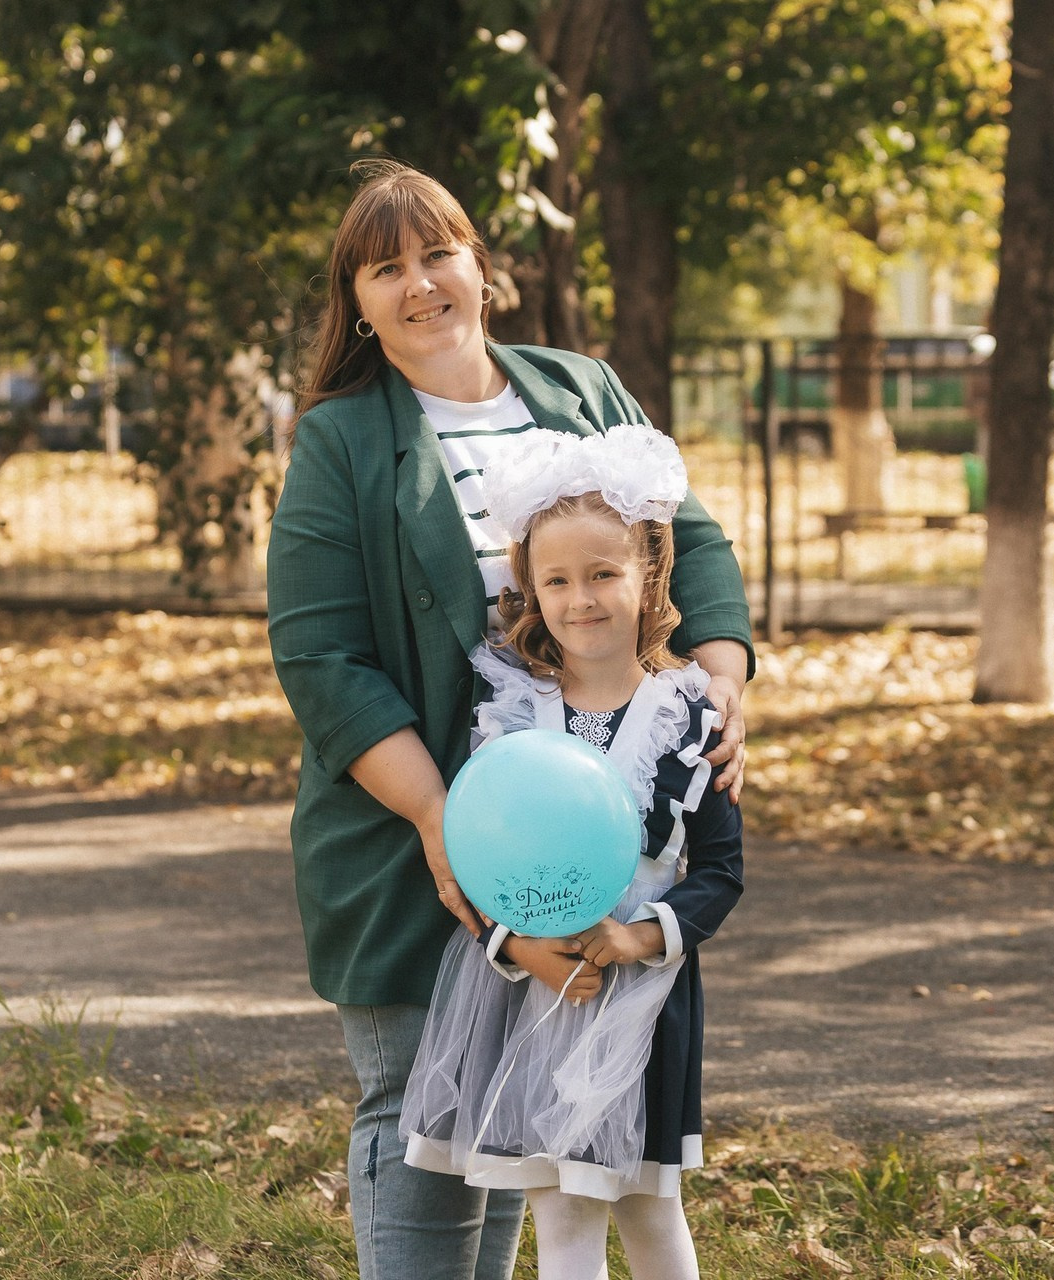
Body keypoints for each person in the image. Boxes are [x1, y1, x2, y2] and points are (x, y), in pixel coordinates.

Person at [266, 159, 754, 1280]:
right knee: (422, 1123)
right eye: (384, 268)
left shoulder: (580, 387)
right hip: (405, 835)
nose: (418, 282)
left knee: (513, 1127)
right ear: (357, 303)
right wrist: (446, 825)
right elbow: (320, 657)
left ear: (481, 267)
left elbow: (700, 544)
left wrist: (718, 684)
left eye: (435, 252)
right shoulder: (340, 441)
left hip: (584, 851)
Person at [398, 424, 744, 1280]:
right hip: (532, 993)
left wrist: (637, 937)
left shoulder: (690, 716)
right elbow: (473, 856)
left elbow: (724, 871)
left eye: (603, 575)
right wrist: (516, 949)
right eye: (557, 580)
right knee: (560, 1208)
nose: (581, 599)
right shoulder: (509, 712)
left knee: (648, 1207)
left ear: (649, 576)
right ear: (531, 590)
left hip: (642, 999)